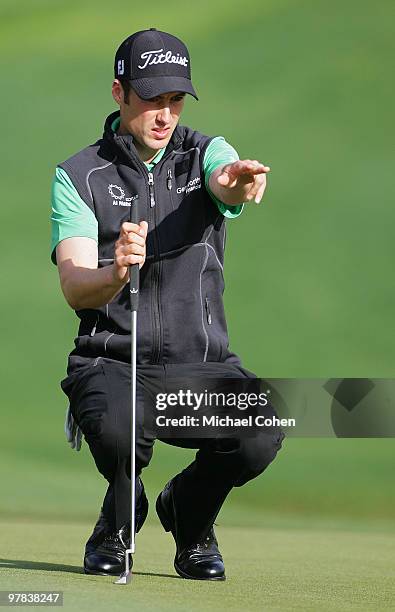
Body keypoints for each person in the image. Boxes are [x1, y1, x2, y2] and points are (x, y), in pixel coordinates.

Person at [51, 28, 285, 581]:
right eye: (152, 98)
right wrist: (115, 272)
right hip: (114, 362)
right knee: (116, 433)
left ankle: (189, 513)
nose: (165, 114)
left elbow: (224, 180)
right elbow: (75, 286)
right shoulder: (79, 174)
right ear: (118, 92)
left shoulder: (206, 152)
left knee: (260, 431)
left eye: (175, 99)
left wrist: (232, 182)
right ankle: (119, 515)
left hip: (198, 366)